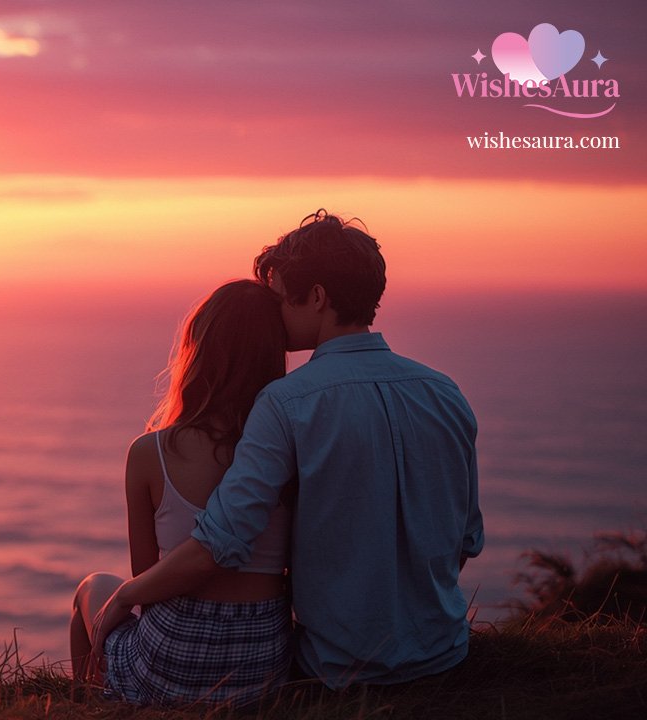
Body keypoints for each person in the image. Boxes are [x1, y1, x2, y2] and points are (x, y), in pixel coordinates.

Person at [91, 210, 484, 690]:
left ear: (316, 297)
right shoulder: (444, 392)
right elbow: (466, 538)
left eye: (279, 298)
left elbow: (220, 542)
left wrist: (127, 592)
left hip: (337, 667)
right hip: (444, 653)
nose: (273, 315)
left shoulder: (286, 402)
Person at [70, 279, 293, 708]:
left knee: (92, 587)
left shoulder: (149, 452)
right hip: (263, 660)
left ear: (197, 350)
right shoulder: (288, 452)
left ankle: (88, 704)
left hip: (171, 657)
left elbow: (147, 577)